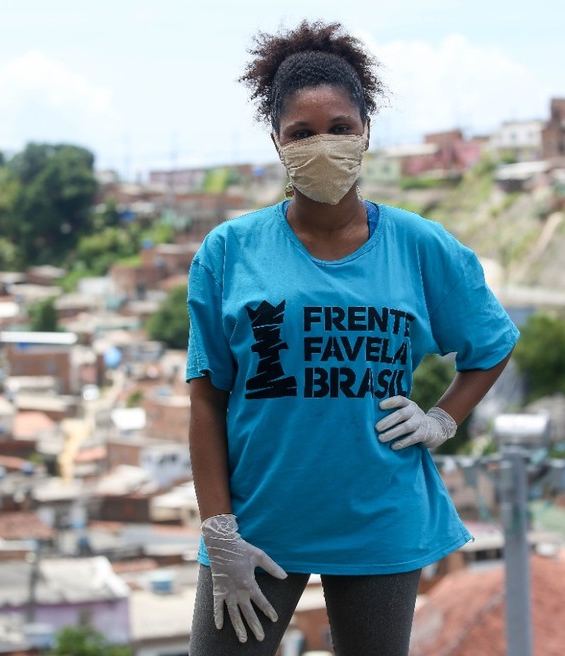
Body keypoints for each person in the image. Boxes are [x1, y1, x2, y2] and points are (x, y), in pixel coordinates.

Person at [185, 20, 519, 656]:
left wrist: (442, 420)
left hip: (381, 517)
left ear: (366, 132)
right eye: (302, 132)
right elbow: (207, 399)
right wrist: (219, 530)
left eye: (340, 127)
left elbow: (492, 344)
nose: (324, 144)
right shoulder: (230, 250)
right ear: (277, 142)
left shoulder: (421, 245)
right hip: (257, 522)